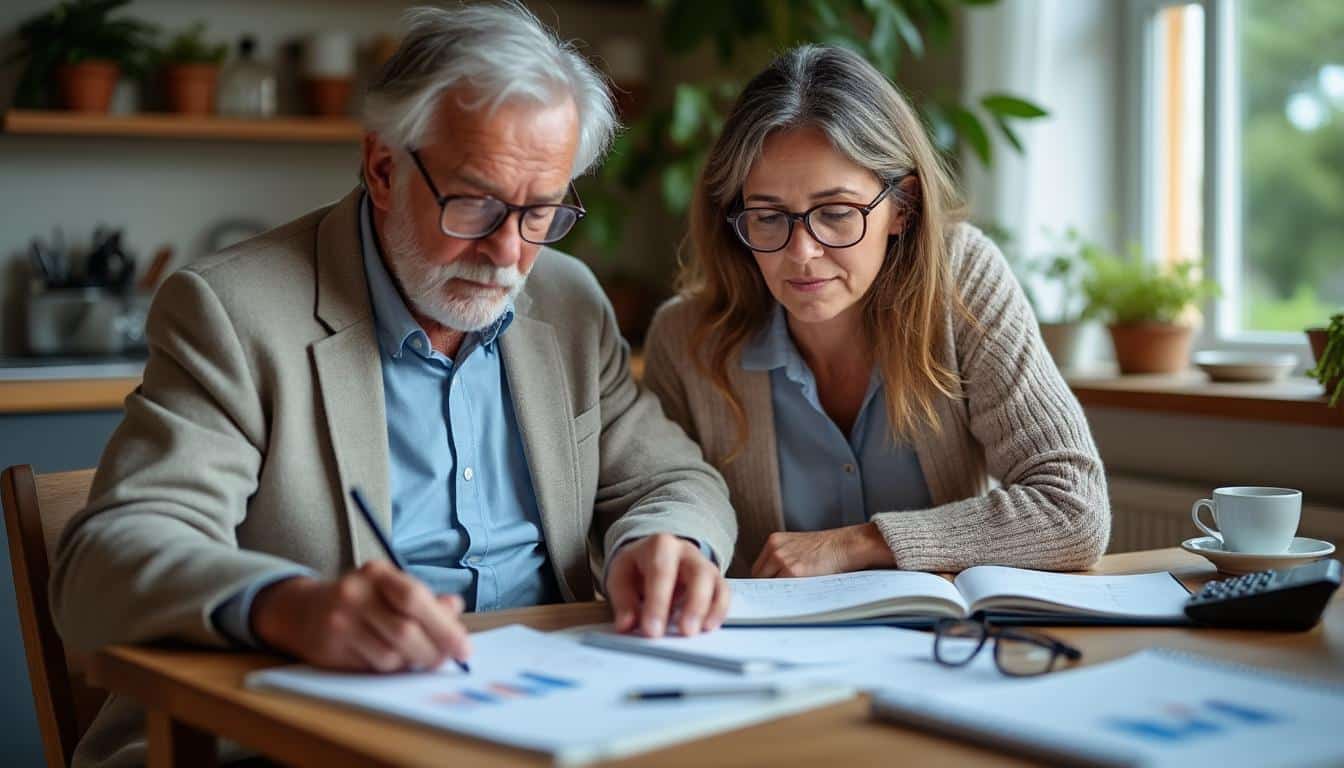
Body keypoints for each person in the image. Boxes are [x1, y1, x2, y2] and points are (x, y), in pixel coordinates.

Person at [51, 4, 735, 766]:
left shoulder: (568, 302)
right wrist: (290, 608)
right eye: (475, 203)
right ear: (382, 169)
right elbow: (100, 566)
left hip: (542, 723)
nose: (507, 252)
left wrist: (664, 542)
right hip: (286, 736)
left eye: (540, 212)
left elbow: (677, 479)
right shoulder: (236, 314)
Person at [643, 44, 1108, 579]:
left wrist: (859, 543)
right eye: (768, 217)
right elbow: (666, 505)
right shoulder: (685, 338)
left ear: (902, 207)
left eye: (836, 212)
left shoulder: (961, 280)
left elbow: (1075, 509)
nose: (801, 252)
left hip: (940, 629)